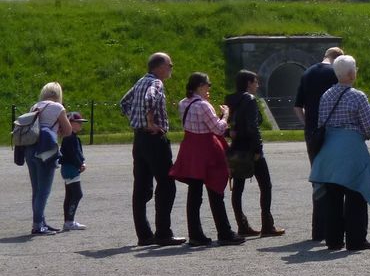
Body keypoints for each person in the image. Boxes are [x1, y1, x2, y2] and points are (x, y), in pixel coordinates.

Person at [309, 55, 370, 251]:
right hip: (351, 150)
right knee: (356, 195)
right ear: (350, 73)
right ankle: (356, 239)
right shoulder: (358, 96)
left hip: (329, 148)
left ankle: (333, 239)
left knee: (333, 197)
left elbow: (322, 122)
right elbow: (369, 128)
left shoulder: (326, 95)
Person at [169, 72, 244, 247]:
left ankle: (195, 234)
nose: (209, 88)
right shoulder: (204, 105)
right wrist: (225, 115)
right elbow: (218, 129)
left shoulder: (183, 103)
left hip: (190, 148)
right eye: (208, 85)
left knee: (194, 193)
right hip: (207, 149)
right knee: (216, 191)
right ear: (201, 86)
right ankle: (224, 232)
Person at [119, 53, 184, 246]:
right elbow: (150, 99)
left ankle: (144, 235)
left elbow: (124, 103)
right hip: (154, 139)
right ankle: (163, 233)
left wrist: (136, 120)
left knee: (141, 187)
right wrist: (150, 122)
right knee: (166, 184)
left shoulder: (140, 81)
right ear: (159, 67)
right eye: (169, 65)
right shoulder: (156, 83)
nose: (171, 68)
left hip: (139, 139)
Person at [294, 46, 343, 241]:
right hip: (330, 132)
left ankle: (318, 229)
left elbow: (297, 106)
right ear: (338, 59)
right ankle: (333, 226)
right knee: (334, 180)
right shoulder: (335, 73)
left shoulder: (307, 73)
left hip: (312, 133)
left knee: (318, 178)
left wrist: (308, 124)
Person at [227, 70, 284, 237]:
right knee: (265, 186)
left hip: (236, 148)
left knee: (238, 188)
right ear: (248, 83)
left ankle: (242, 224)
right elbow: (253, 127)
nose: (257, 85)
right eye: (255, 82)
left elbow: (228, 126)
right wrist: (258, 149)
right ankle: (267, 225)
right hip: (251, 149)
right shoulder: (250, 100)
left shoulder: (230, 100)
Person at [24, 82, 73, 235]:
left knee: (36, 189)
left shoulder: (35, 106)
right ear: (58, 93)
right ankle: (38, 225)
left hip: (30, 148)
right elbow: (68, 131)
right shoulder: (58, 107)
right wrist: (57, 132)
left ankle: (41, 221)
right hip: (46, 150)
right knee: (44, 190)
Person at [60, 111, 88, 231]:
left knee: (70, 195)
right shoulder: (70, 137)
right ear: (70, 123)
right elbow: (73, 154)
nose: (80, 125)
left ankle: (68, 221)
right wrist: (80, 164)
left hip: (67, 168)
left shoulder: (70, 136)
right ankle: (69, 221)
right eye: (78, 122)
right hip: (71, 168)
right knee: (77, 194)